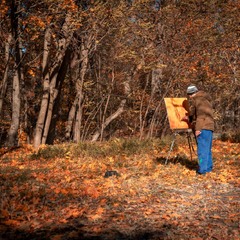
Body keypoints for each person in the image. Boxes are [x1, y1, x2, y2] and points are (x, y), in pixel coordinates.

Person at [186, 84, 215, 175]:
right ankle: (208, 168)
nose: (190, 97)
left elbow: (201, 116)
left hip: (203, 127)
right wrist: (189, 117)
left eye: (190, 95)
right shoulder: (205, 99)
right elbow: (199, 114)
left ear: (192, 93)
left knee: (202, 150)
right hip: (209, 126)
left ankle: (202, 170)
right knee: (207, 149)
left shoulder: (199, 100)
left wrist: (198, 129)